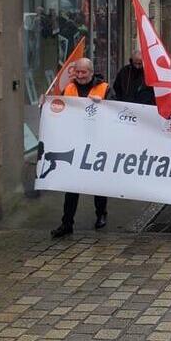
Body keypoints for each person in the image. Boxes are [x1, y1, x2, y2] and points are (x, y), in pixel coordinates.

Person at [51, 58, 109, 238]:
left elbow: (118, 110)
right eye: (77, 72)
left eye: (84, 72)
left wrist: (104, 104)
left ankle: (101, 214)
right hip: (75, 142)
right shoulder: (68, 88)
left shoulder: (105, 88)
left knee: (98, 184)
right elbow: (58, 109)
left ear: (91, 73)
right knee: (72, 185)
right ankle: (67, 223)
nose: (80, 76)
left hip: (98, 142)